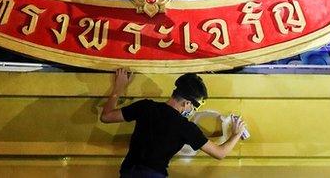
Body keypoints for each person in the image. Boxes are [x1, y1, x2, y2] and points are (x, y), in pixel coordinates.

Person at [100, 69, 247, 177]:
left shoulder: (145, 107)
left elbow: (106, 117)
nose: (192, 110)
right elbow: (219, 153)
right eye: (194, 107)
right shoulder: (185, 127)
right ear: (187, 103)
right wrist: (236, 134)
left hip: (128, 172)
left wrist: (118, 89)